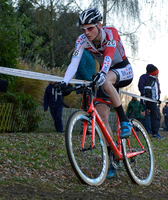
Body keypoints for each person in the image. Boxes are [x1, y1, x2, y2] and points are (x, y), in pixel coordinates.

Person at [60, 8, 134, 178]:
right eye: (83, 29)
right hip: (104, 74)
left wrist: (102, 73)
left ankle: (124, 121)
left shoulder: (111, 32)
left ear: (99, 25)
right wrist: (64, 82)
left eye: (90, 28)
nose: (87, 33)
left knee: (106, 79)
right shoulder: (81, 40)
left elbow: (108, 57)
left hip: (123, 69)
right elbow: (74, 63)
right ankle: (113, 157)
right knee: (101, 118)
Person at [138, 64, 161, 134]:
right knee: (148, 117)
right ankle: (149, 132)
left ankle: (154, 131)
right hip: (147, 101)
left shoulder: (155, 79)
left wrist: (158, 98)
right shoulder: (144, 77)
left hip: (153, 101)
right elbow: (142, 87)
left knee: (156, 116)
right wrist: (147, 98)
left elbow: (157, 89)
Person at [144, 65, 164, 139]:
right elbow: (147, 90)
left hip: (154, 102)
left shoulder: (154, 80)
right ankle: (155, 133)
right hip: (151, 103)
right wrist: (150, 100)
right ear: (154, 73)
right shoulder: (150, 80)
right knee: (155, 117)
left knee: (157, 116)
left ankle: (155, 132)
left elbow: (154, 92)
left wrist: (157, 99)